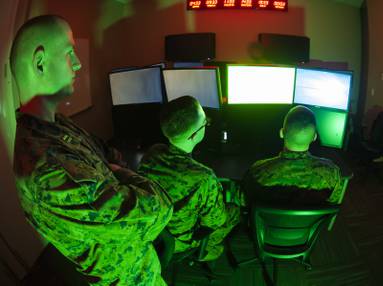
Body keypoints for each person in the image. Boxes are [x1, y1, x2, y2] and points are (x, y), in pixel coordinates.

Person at [11, 15, 172, 286]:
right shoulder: (48, 169)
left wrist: (114, 168)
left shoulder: (54, 126)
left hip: (137, 262)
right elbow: (157, 211)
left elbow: (105, 153)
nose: (77, 63)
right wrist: (122, 173)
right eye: (69, 52)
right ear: (39, 63)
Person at [138, 96, 240, 261]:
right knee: (233, 211)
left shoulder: (153, 152)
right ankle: (206, 250)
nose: (207, 124)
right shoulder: (204, 178)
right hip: (180, 241)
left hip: (154, 233)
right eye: (205, 122)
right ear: (194, 136)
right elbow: (214, 221)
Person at [243, 105, 345, 206]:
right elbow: (332, 204)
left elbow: (244, 202)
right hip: (309, 222)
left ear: (281, 133)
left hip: (268, 222)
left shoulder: (257, 172)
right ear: (314, 137)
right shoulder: (332, 173)